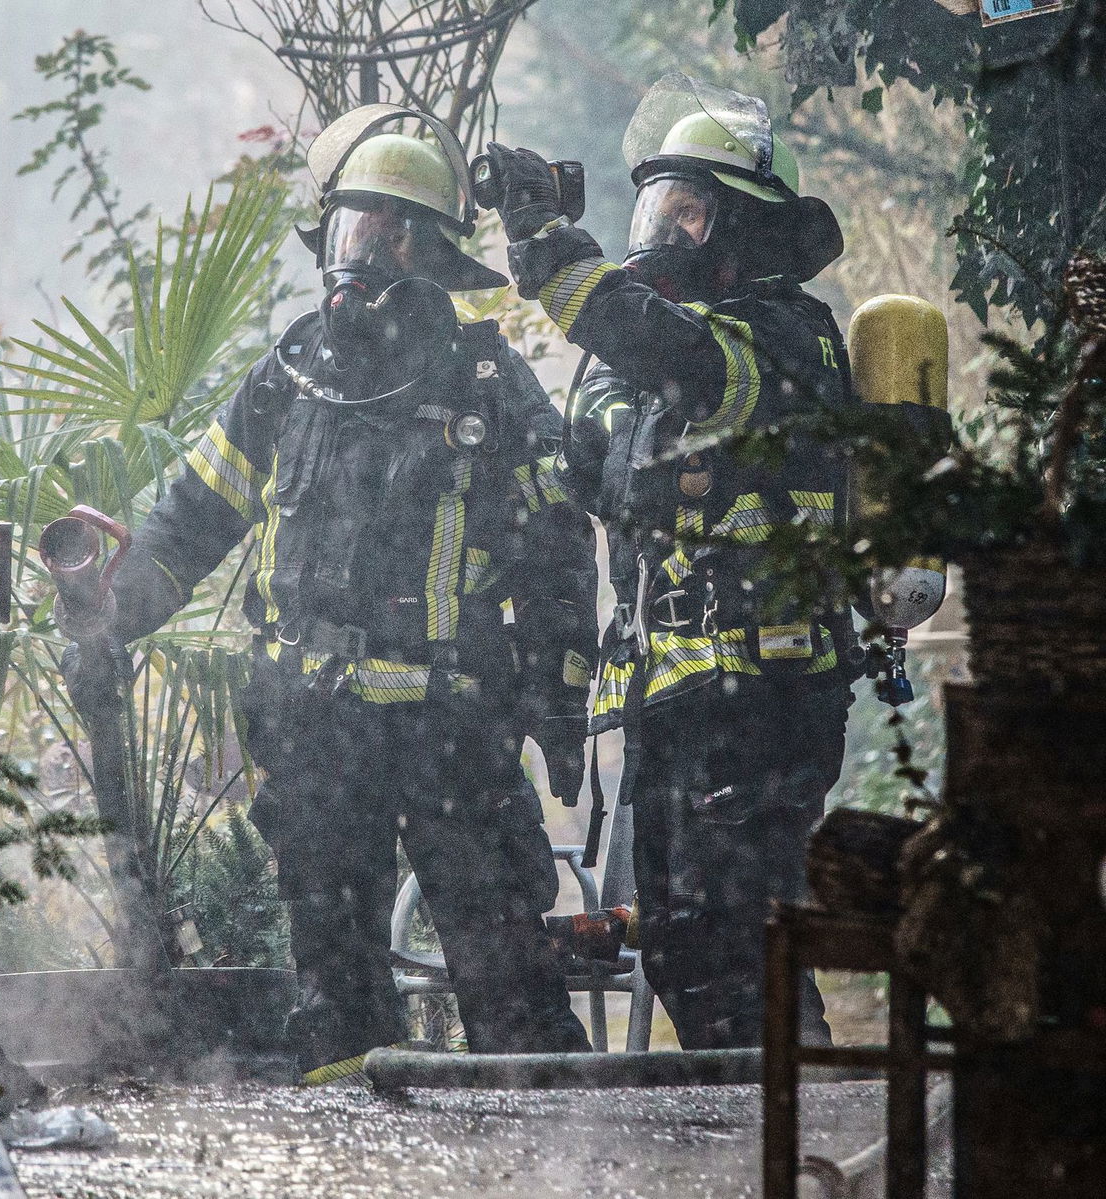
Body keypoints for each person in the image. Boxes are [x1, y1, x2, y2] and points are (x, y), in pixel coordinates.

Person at [61, 105, 598, 1082]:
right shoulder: (290, 377)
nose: (362, 257)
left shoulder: (486, 382)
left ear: (432, 254)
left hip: (451, 731)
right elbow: (185, 526)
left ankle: (553, 1144)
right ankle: (355, 1147)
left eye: (388, 236)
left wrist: (560, 702)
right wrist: (112, 619)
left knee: (508, 979)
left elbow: (559, 555)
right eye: (351, 230)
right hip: (316, 735)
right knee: (336, 995)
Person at [489, 73, 857, 1049]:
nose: (661, 232)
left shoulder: (782, 339)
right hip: (686, 701)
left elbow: (662, 353)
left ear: (743, 228)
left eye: (685, 212)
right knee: (689, 945)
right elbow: (600, 467)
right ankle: (774, 1119)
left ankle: (796, 1118)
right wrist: (613, 388)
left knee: (735, 946)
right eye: (655, 207)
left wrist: (548, 244)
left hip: (762, 700)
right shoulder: (675, 361)